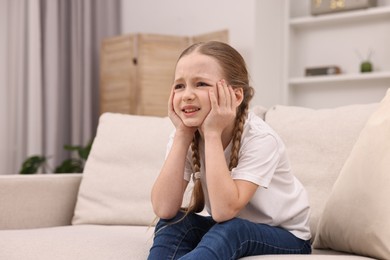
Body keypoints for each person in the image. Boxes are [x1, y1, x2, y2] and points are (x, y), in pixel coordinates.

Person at [148, 41, 311, 259]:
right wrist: (182, 136)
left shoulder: (261, 138)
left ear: (235, 96)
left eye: (200, 84)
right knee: (174, 222)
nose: (186, 94)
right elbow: (164, 208)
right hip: (229, 224)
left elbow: (224, 211)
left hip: (288, 236)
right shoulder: (184, 135)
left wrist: (213, 134)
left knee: (233, 229)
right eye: (179, 86)